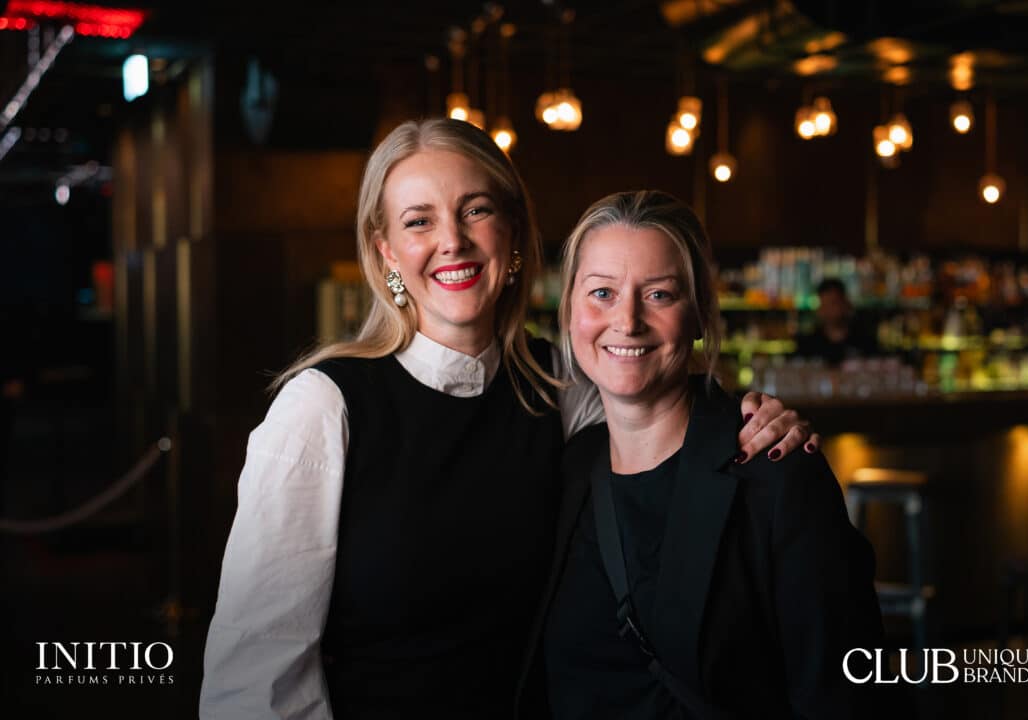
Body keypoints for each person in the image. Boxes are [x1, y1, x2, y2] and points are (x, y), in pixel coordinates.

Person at [199, 120, 820, 720]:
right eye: (420, 221)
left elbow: (657, 400)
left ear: (515, 231)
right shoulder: (324, 406)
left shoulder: (561, 384)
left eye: (475, 210)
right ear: (385, 250)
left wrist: (750, 418)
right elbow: (256, 677)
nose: (453, 241)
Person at [518, 191, 882, 719]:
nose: (627, 320)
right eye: (601, 292)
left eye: (660, 295)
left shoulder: (776, 471)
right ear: (569, 313)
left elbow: (847, 693)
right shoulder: (572, 468)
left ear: (700, 316)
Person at [795, 278, 879, 366]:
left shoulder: (864, 341)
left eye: (833, 303)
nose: (828, 311)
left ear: (845, 304)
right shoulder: (808, 345)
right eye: (824, 305)